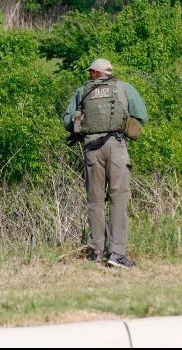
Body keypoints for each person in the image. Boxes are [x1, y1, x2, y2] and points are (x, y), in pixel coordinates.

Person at [63, 58, 148, 268]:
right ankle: (117, 254)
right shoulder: (124, 88)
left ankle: (96, 253)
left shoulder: (82, 91)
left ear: (95, 73)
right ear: (109, 73)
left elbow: (67, 121)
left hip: (91, 149)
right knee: (119, 200)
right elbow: (141, 116)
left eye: (90, 72)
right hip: (117, 147)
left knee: (95, 201)